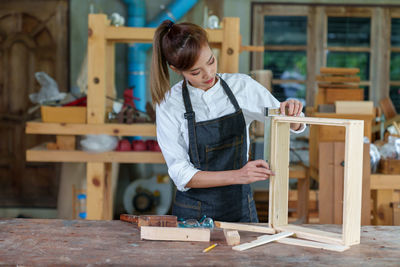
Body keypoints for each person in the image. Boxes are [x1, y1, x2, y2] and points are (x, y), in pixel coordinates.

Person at [150, 20, 305, 223]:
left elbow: (288, 122)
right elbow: (181, 174)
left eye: (211, 61)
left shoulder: (243, 87)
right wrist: (238, 175)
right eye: (196, 72)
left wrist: (292, 115)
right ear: (176, 69)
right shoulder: (170, 104)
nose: (208, 74)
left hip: (240, 209)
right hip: (193, 214)